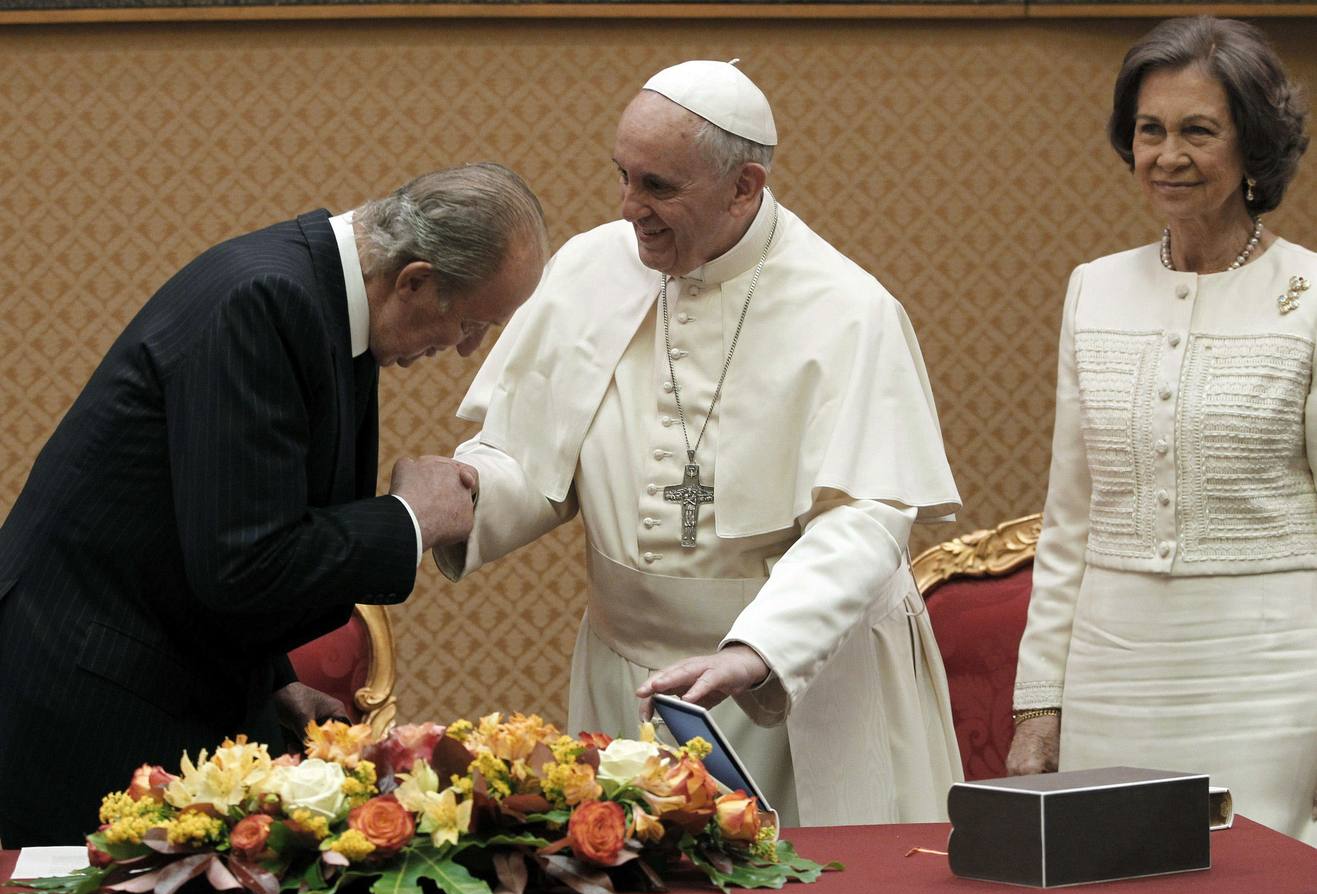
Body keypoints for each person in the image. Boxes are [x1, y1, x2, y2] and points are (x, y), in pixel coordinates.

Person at [436, 61, 963, 827]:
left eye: (657, 187)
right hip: (633, 681)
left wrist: (756, 651)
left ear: (744, 185)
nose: (629, 208)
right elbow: (530, 457)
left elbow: (865, 515)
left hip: (798, 683)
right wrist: (462, 496)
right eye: (622, 176)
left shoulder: (848, 311)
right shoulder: (590, 267)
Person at [0, 163, 548, 846]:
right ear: (414, 279)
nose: (465, 349)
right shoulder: (265, 300)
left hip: (167, 659)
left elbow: (219, 521)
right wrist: (411, 517)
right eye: (470, 322)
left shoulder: (322, 300)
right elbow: (245, 563)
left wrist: (273, 678)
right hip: (94, 689)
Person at [1008, 16, 1317, 845]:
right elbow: (1067, 518)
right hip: (1114, 675)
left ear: (1252, 145)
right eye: (1148, 130)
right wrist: (1039, 703)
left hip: (1271, 679)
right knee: (1116, 870)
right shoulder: (1093, 290)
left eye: (1196, 131)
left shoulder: (1310, 297)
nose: (1165, 155)